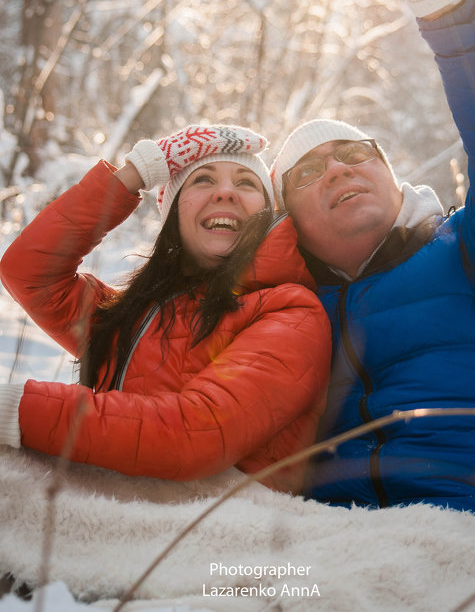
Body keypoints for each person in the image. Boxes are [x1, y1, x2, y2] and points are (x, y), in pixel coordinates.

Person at [270, 0, 475, 550]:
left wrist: (447, 3)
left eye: (355, 153)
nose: (336, 168)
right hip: (328, 557)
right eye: (307, 172)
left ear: (392, 177)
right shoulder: (278, 311)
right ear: (286, 220)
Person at [0, 124, 331, 493]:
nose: (225, 192)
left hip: (221, 534)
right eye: (203, 180)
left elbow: (195, 432)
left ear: (269, 213)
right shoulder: (131, 316)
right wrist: (137, 172)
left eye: (247, 183)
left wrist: (16, 408)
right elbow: (28, 272)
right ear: (174, 213)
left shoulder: (292, 313)